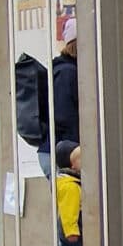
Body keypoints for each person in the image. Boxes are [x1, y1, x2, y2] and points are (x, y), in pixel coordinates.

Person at [28, 140, 83, 246]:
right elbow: (69, 212)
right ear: (72, 165)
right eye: (81, 159)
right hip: (73, 228)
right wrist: (71, 231)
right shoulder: (70, 185)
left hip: (71, 228)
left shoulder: (69, 180)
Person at [37, 15, 80, 179]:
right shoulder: (67, 72)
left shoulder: (64, 69)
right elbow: (65, 117)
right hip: (62, 155)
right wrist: (77, 150)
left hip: (58, 151)